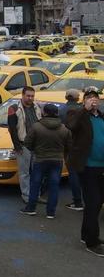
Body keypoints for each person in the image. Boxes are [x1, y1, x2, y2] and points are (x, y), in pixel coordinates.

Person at [66, 90, 104, 256]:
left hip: (101, 167)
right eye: (89, 98)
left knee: (96, 202)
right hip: (87, 166)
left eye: (95, 98)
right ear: (84, 101)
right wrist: (84, 109)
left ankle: (85, 234)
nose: (93, 101)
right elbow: (71, 126)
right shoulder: (78, 115)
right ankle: (92, 242)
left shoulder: (101, 117)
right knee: (93, 202)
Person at [21, 103, 72, 218]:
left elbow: (27, 143)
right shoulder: (64, 129)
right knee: (54, 186)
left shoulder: (36, 127)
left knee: (35, 184)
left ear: (44, 113)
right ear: (56, 113)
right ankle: (51, 212)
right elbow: (69, 145)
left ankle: (31, 208)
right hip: (57, 160)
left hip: (40, 159)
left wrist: (36, 149)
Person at [7, 86, 42, 203]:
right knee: (24, 173)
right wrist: (17, 146)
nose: (30, 98)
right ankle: (27, 197)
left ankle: (36, 195)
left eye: (32, 96)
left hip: (37, 145)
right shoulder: (14, 108)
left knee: (37, 172)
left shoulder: (37, 107)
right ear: (22, 95)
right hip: (23, 145)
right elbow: (12, 129)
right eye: (28, 96)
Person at [60, 89, 85, 211]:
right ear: (77, 98)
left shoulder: (61, 110)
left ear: (66, 97)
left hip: (68, 146)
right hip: (82, 145)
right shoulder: (82, 110)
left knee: (73, 173)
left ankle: (77, 202)